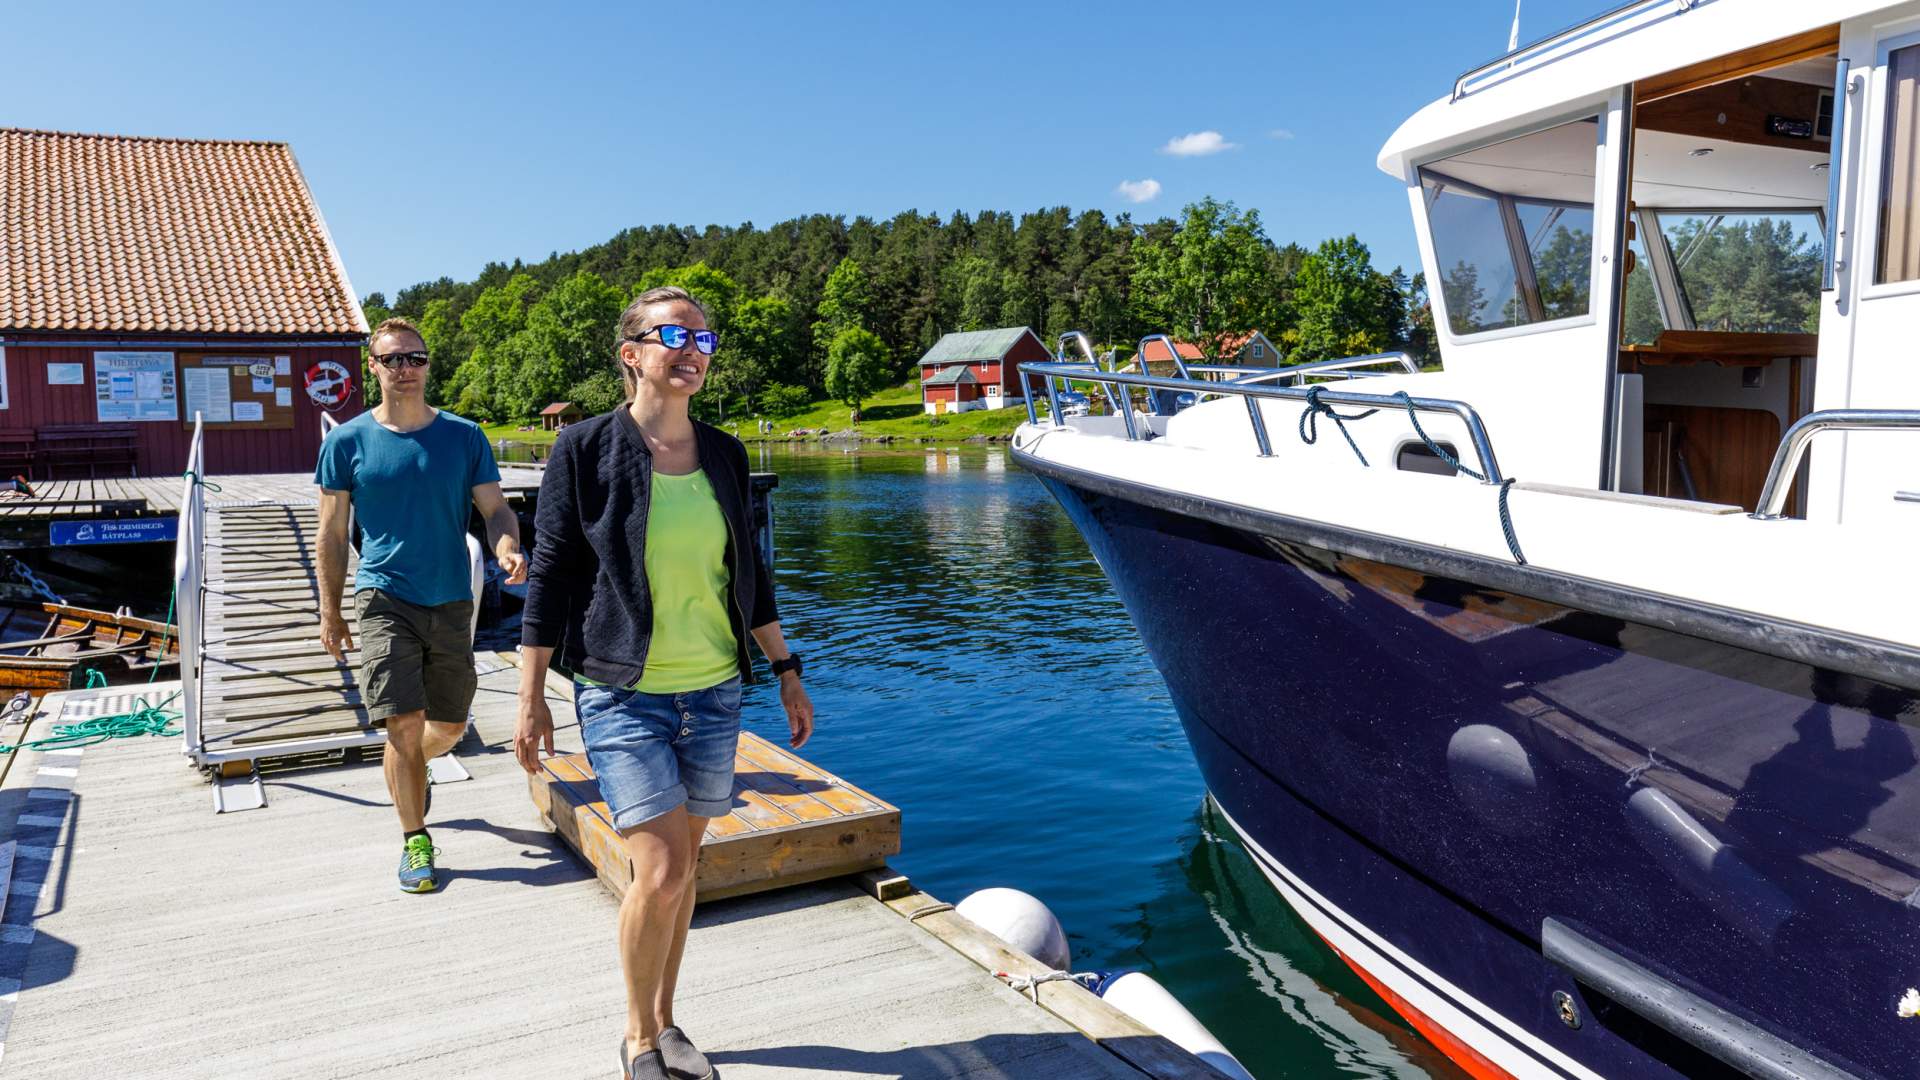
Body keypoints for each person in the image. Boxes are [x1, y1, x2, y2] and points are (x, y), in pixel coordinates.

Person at [514, 286, 813, 1080]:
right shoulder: (582, 449)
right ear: (631, 353)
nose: (692, 349)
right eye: (673, 334)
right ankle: (637, 1039)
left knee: (684, 874)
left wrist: (785, 669)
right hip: (621, 693)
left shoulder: (722, 451)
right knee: (665, 869)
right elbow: (548, 576)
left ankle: (668, 1022)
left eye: (705, 338)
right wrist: (531, 698)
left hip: (714, 692)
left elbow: (750, 573)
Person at [316, 317, 527, 894]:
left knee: (450, 728)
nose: (405, 369)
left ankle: (415, 768)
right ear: (374, 369)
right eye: (392, 360)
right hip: (382, 595)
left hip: (452, 597)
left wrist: (506, 544)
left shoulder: (464, 436)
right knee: (403, 726)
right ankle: (416, 837)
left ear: (429, 365)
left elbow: (496, 510)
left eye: (415, 358)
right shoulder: (346, 442)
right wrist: (330, 611)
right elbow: (332, 535)